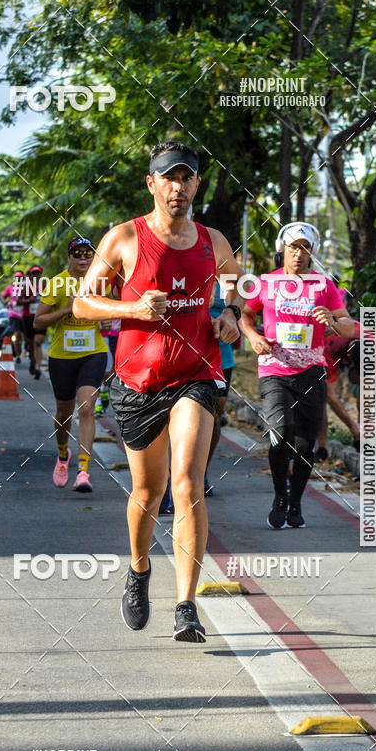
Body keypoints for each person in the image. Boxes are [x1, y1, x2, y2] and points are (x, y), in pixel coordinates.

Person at [72, 140, 243, 643]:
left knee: (187, 483)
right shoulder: (124, 238)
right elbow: (84, 304)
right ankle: (140, 568)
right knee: (148, 492)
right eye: (169, 177)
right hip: (137, 382)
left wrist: (228, 314)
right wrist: (133, 309)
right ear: (152, 184)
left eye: (187, 177)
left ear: (196, 185)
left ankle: (186, 605)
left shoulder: (215, 240)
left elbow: (235, 285)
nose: (178, 186)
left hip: (195, 374)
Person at [240, 221, 355, 529]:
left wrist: (332, 318)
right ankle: (280, 495)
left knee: (306, 444)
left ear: (312, 252)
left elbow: (347, 325)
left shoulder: (324, 285)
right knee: (281, 434)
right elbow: (246, 316)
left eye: (305, 248)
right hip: (275, 369)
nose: (299, 254)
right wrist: (252, 337)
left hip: (312, 371)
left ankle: (295, 502)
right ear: (283, 249)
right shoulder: (265, 283)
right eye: (293, 247)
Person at [33, 237, 107, 492]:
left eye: (88, 254)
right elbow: (38, 322)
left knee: (87, 407)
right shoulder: (57, 283)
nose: (83, 259)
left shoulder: (101, 282)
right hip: (62, 357)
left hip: (93, 353)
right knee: (64, 413)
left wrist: (108, 320)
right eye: (78, 254)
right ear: (70, 257)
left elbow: (113, 310)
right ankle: (63, 455)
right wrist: (66, 310)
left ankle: (83, 471)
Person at [204, 278, 237, 496]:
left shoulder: (227, 280)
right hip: (188, 355)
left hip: (221, 358)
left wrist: (232, 316)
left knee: (215, 416)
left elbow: (240, 302)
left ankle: (202, 470)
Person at [316, 320, 361, 459]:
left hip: (354, 344)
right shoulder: (330, 349)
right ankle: (322, 446)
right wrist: (353, 427)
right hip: (323, 348)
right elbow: (331, 396)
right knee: (321, 396)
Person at [21, 264, 46, 379]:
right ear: (31, 275)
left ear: (41, 274)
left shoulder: (46, 286)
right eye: (34, 273)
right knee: (31, 342)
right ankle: (32, 359)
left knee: (38, 342)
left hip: (41, 316)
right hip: (28, 317)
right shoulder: (26, 286)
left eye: (38, 273)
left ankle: (38, 367)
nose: (36, 275)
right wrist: (28, 300)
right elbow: (18, 302)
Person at [2, 272, 25, 362]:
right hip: (13, 315)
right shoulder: (10, 288)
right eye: (16, 278)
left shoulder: (26, 288)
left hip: (24, 314)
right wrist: (6, 303)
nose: (18, 280)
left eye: (20, 278)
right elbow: (4, 296)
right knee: (16, 335)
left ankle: (24, 348)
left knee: (24, 336)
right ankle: (18, 356)